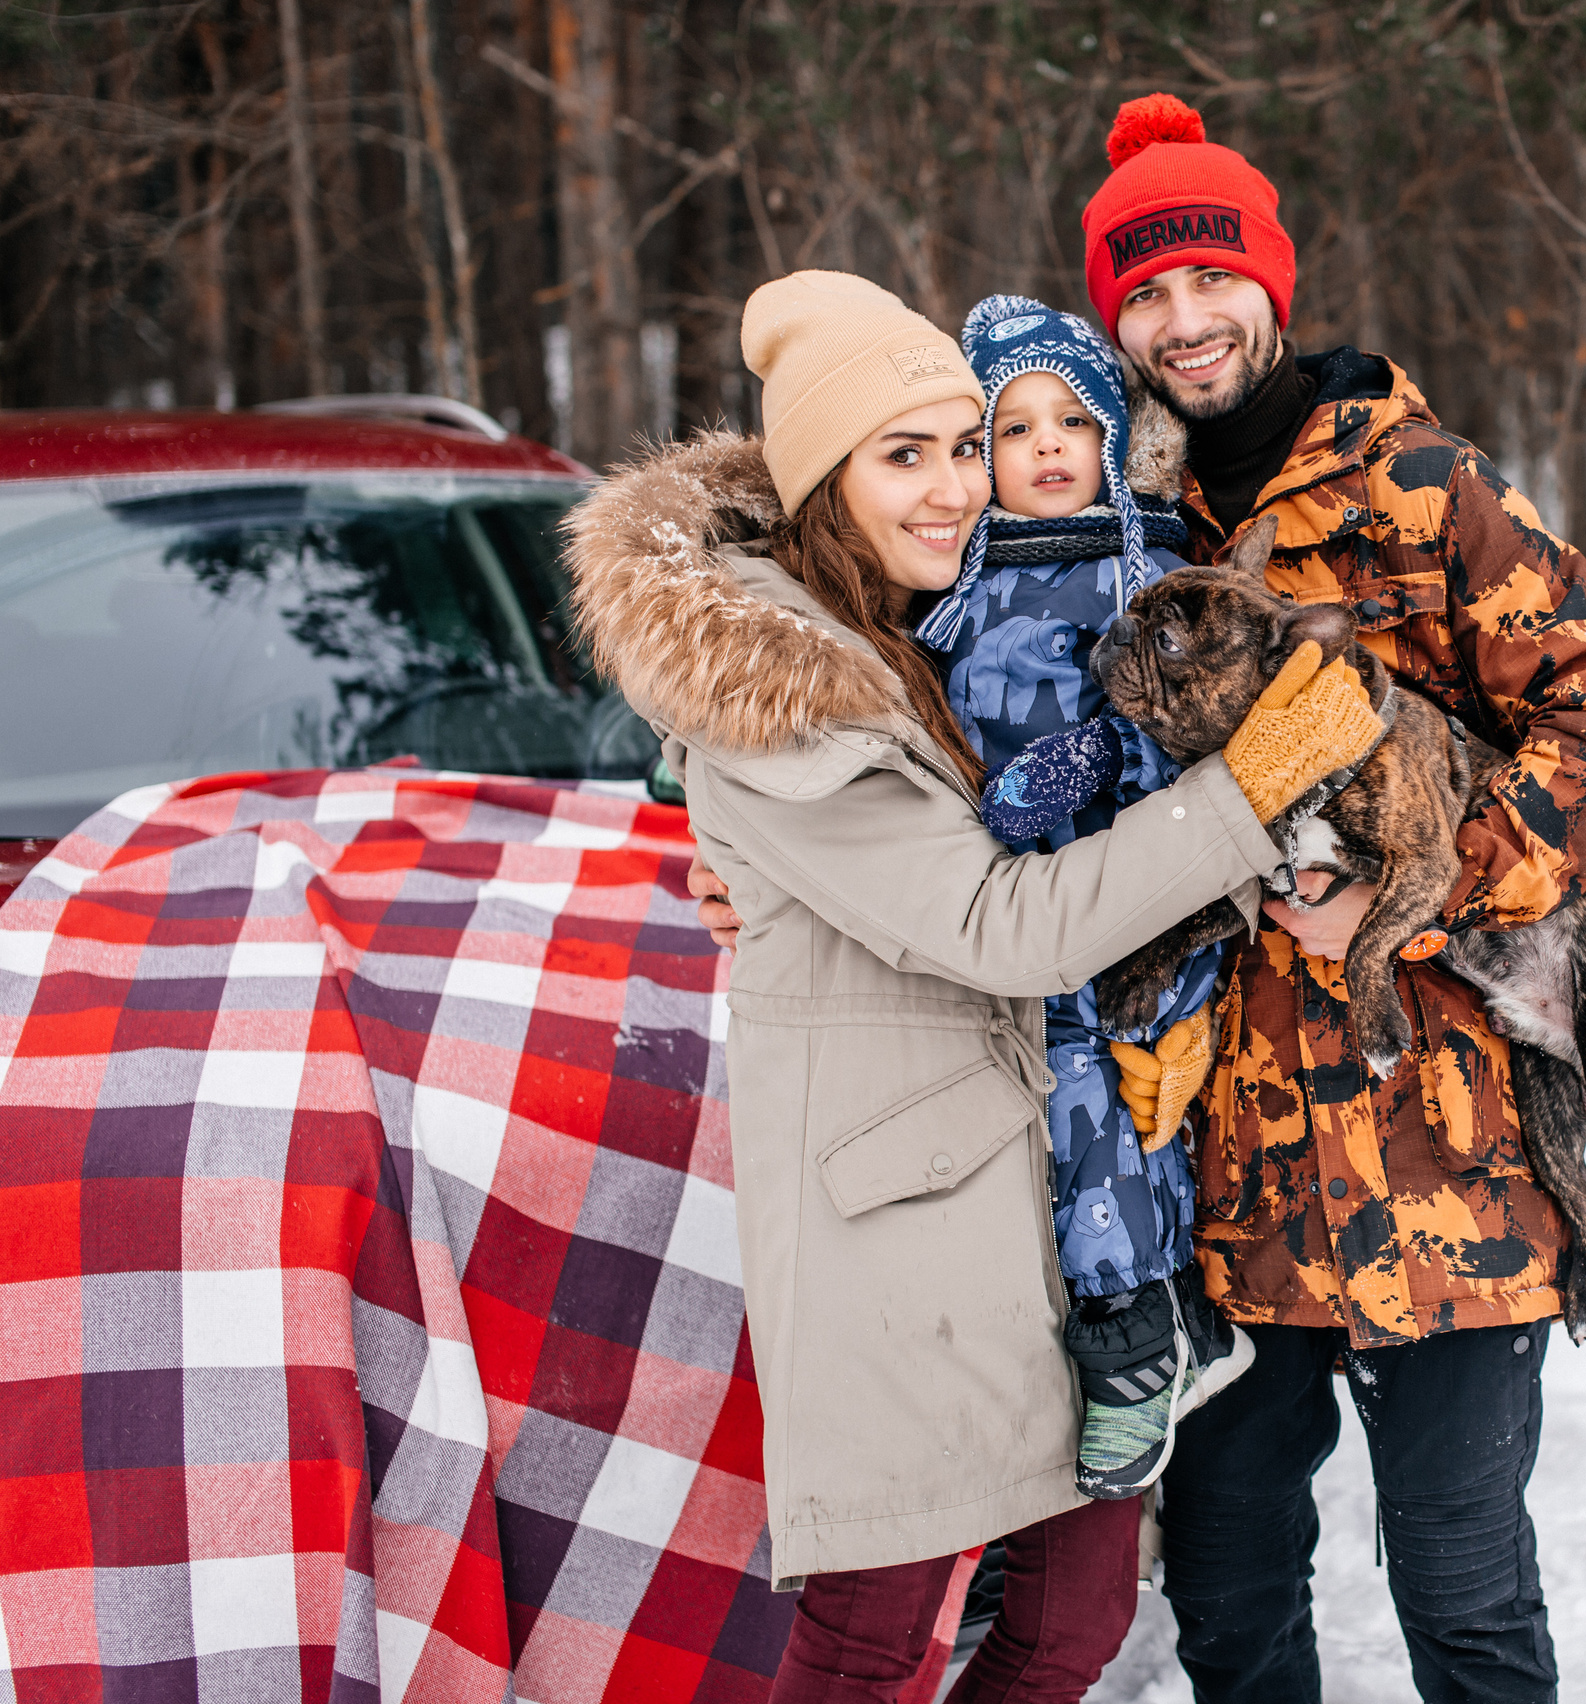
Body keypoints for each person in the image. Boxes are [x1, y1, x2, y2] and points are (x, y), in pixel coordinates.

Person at [563, 269, 1379, 1704]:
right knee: (872, 1641)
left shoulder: (924, 622)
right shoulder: (785, 689)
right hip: (904, 1224)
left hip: (1049, 1208)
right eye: (906, 454)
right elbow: (1005, 921)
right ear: (824, 477)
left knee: (1069, 1629)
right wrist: (1246, 799)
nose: (953, 488)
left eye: (961, 445)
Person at [1083, 95, 1586, 1703]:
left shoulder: (1418, 487)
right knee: (1227, 1594)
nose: (1184, 321)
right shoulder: (1115, 526)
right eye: (1143, 293)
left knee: (1464, 1599)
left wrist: (1438, 894)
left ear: (1269, 283)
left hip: (1448, 1158)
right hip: (1222, 1174)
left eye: (1210, 279)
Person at [922, 292, 1253, 1499]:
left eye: (1072, 421)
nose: (1048, 448)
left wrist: (1109, 756)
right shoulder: (945, 584)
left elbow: (1221, 720)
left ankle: (1131, 1341)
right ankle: (1035, 1416)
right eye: (1014, 431)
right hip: (991, 902)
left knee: (1094, 1097)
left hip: (1132, 901)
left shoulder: (1152, 568)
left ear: (1114, 437)